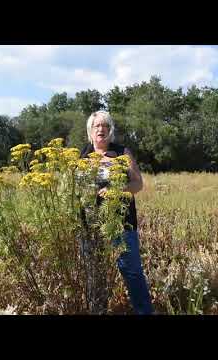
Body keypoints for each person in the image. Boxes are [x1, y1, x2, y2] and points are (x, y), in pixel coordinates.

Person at [80, 110, 153, 315]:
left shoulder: (122, 152)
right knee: (94, 275)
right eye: (96, 126)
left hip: (121, 223)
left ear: (110, 130)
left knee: (132, 273)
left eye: (105, 126)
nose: (101, 129)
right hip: (91, 223)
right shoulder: (83, 154)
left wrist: (115, 191)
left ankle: (144, 312)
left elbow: (138, 184)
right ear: (90, 131)